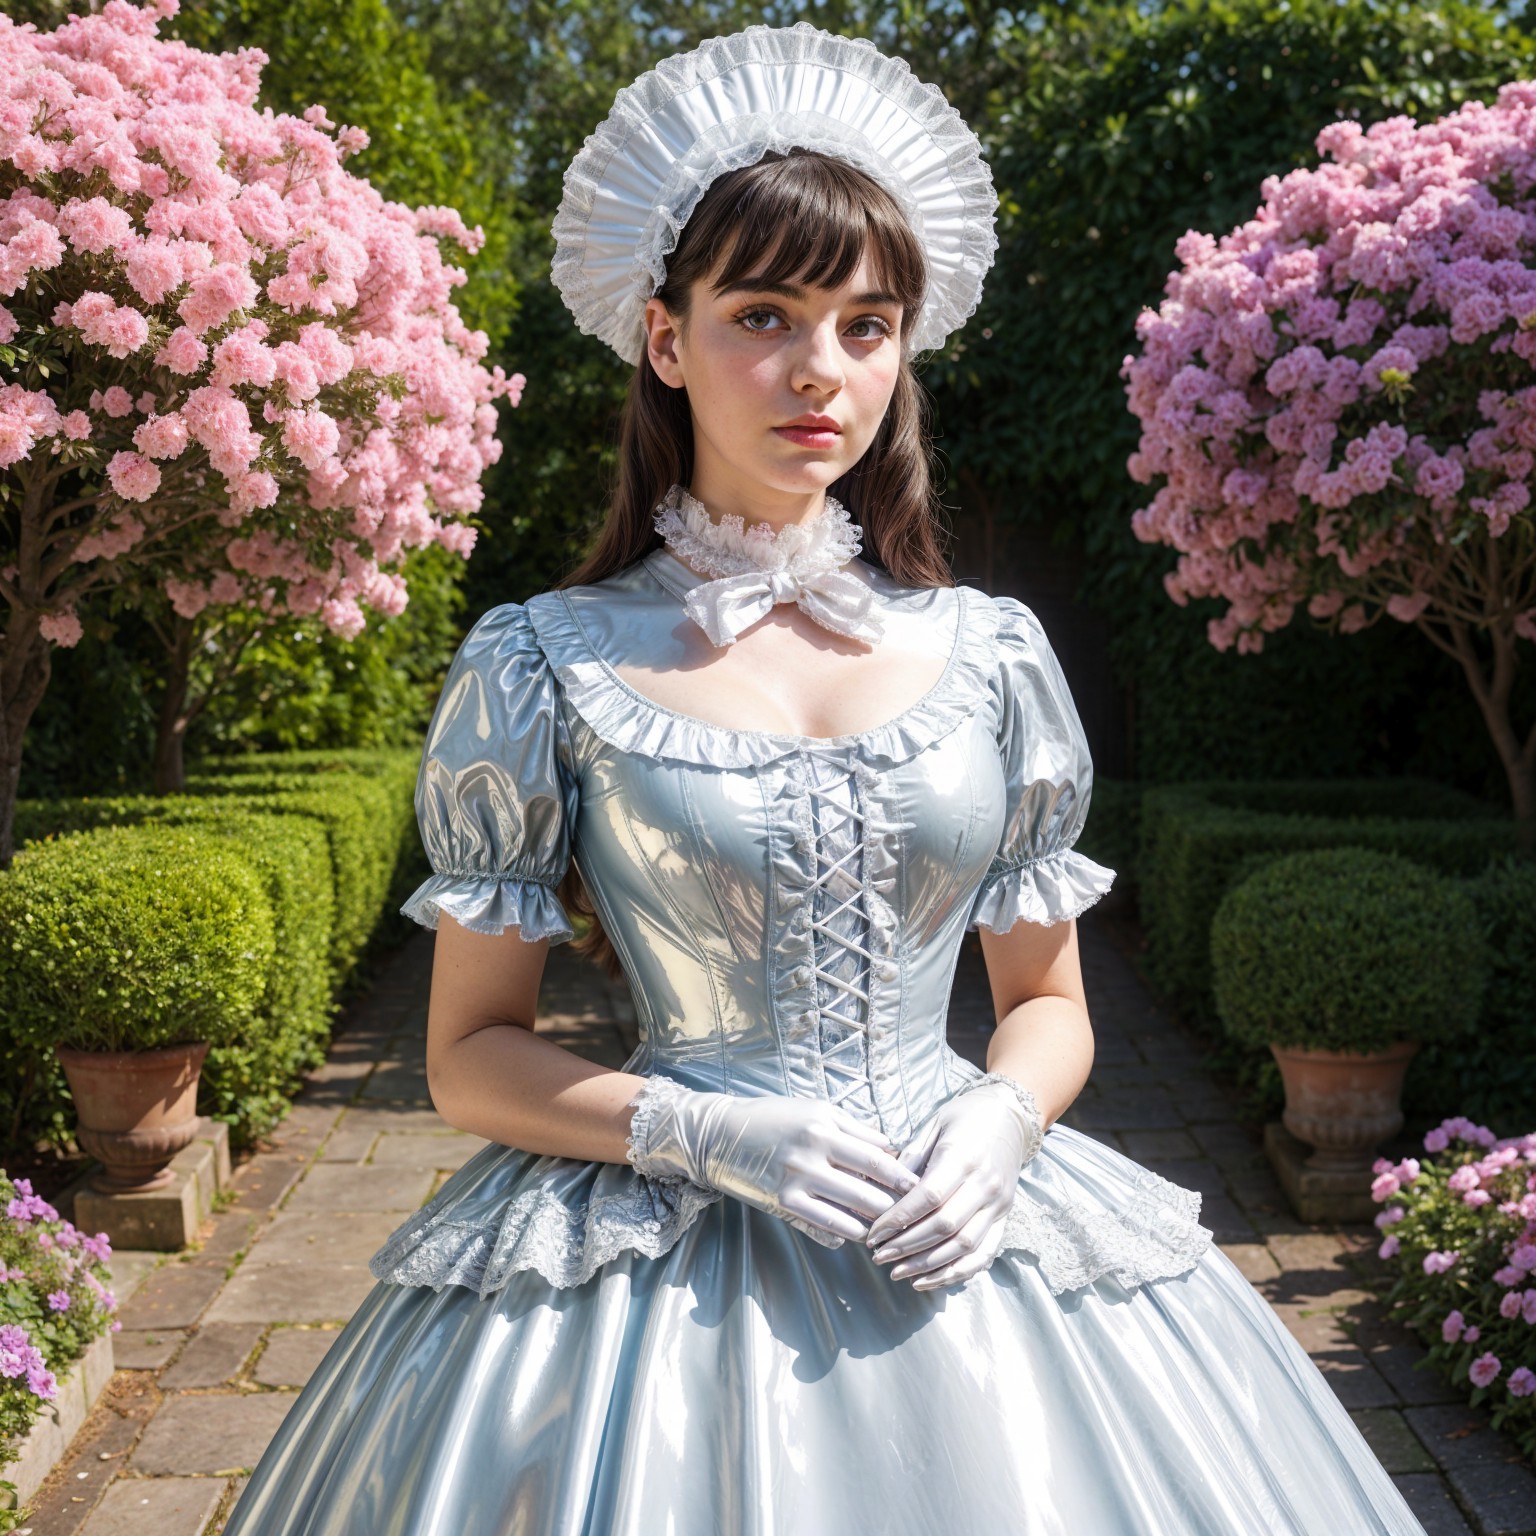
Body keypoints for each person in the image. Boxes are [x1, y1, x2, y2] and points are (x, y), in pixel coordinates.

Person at [223, 22, 1429, 1535]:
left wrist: (998, 1128)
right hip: (648, 1260)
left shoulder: (992, 653)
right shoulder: (540, 662)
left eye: (868, 325)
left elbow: (1046, 1002)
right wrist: (710, 1131)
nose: (822, 371)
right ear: (666, 338)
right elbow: (469, 1053)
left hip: (966, 1234)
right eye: (765, 314)